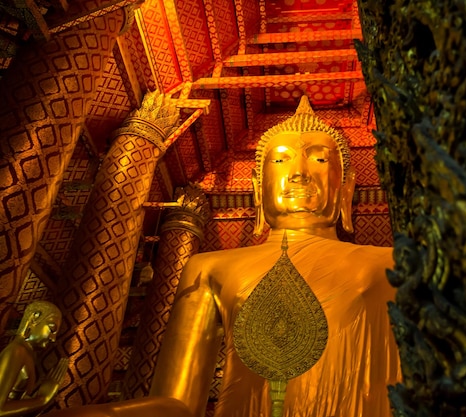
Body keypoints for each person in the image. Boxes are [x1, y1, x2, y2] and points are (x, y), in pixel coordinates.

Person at [45, 96, 401, 417]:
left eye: (319, 159)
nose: (298, 173)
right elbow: (177, 403)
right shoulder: (210, 268)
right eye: (281, 160)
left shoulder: (388, 264)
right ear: (257, 188)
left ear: (347, 186)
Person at [0, 301, 68, 417]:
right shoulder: (16, 351)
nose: (53, 339)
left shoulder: (28, 355)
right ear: (33, 318)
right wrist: (42, 399)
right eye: (51, 329)